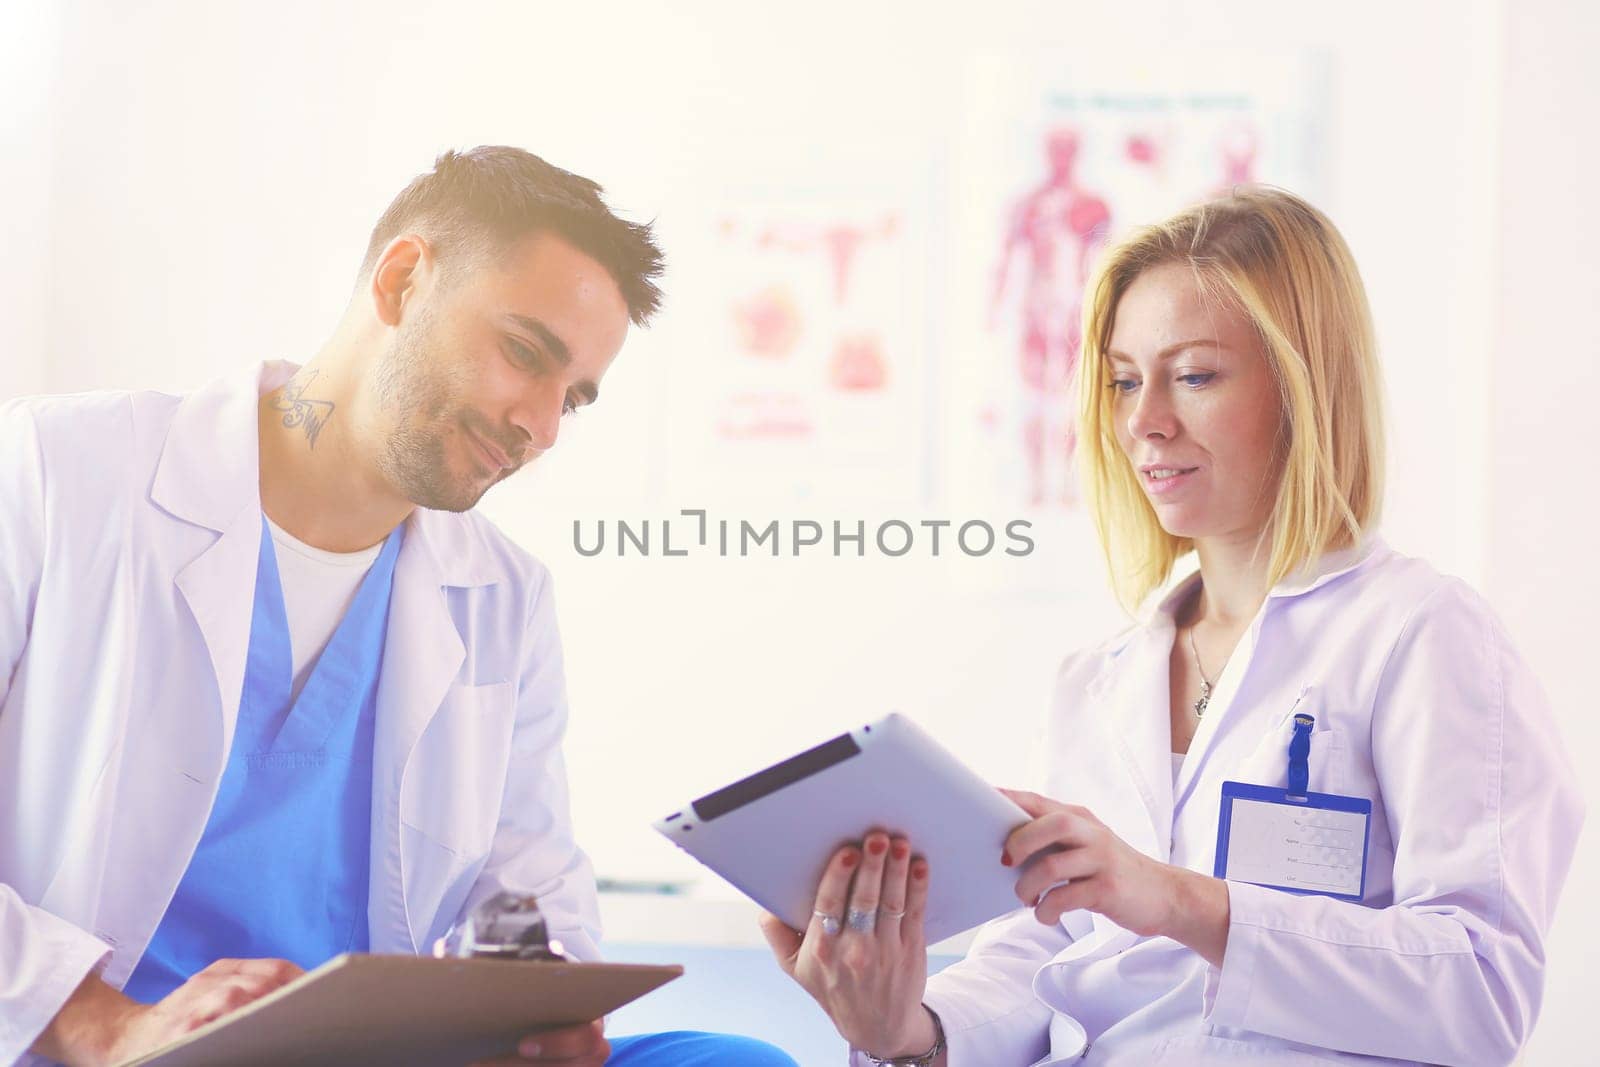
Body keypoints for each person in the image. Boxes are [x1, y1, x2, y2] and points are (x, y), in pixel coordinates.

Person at [0, 146, 794, 1067]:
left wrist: (544, 1010)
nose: (539, 427)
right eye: (525, 354)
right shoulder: (58, 474)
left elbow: (528, 882)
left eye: (570, 398)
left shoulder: (505, 595)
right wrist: (101, 1019)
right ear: (403, 279)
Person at [762, 186, 1584, 1065]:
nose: (1144, 421)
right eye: (1123, 380)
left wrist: (1177, 900)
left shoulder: (1422, 635)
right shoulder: (1101, 676)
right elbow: (1049, 950)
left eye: (1192, 375)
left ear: (1304, 386)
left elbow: (1483, 992)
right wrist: (909, 1030)